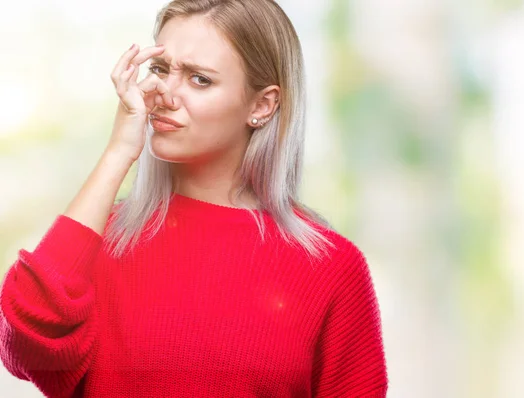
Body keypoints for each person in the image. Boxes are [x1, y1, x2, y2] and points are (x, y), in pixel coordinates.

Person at [0, 0, 388, 396]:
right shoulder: (98, 240)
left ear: (262, 105)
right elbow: (26, 337)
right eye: (160, 70)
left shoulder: (330, 267)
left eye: (199, 79)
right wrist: (119, 151)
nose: (165, 93)